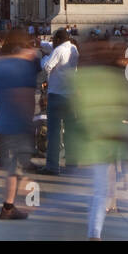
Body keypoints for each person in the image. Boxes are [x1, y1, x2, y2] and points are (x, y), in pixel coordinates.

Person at [70, 39, 128, 239]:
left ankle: (98, 225)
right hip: (108, 139)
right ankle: (95, 231)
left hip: (95, 141)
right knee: (101, 187)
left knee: (98, 186)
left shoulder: (88, 77)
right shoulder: (115, 79)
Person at [0, 28, 41, 220]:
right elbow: (25, 95)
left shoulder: (0, 64)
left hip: (4, 121)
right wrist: (28, 120)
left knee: (15, 165)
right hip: (19, 123)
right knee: (17, 166)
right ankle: (9, 206)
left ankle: (12, 204)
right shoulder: (23, 66)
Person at [42, 28, 79, 175]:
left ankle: (52, 166)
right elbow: (56, 48)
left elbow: (47, 67)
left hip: (56, 95)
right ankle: (72, 163)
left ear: (57, 39)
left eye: (53, 39)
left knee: (54, 133)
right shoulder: (73, 48)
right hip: (70, 95)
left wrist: (44, 57)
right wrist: (43, 44)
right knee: (70, 132)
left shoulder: (57, 51)